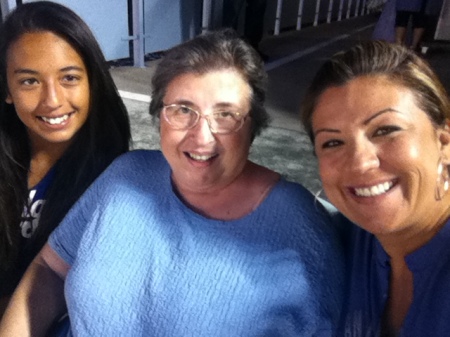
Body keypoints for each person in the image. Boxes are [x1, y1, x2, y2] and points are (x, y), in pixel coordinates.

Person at [0, 29, 344, 336]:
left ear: (253, 125)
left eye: (225, 115)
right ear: (159, 117)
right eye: (182, 110)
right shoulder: (127, 175)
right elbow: (50, 268)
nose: (201, 136)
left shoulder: (301, 230)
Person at [300, 40, 450, 336]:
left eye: (385, 130)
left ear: (444, 143)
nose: (359, 163)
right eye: (333, 142)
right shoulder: (344, 239)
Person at [0, 1, 131, 317]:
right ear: (7, 90)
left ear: (92, 82)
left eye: (69, 77)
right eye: (30, 81)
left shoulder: (115, 179)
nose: (53, 101)